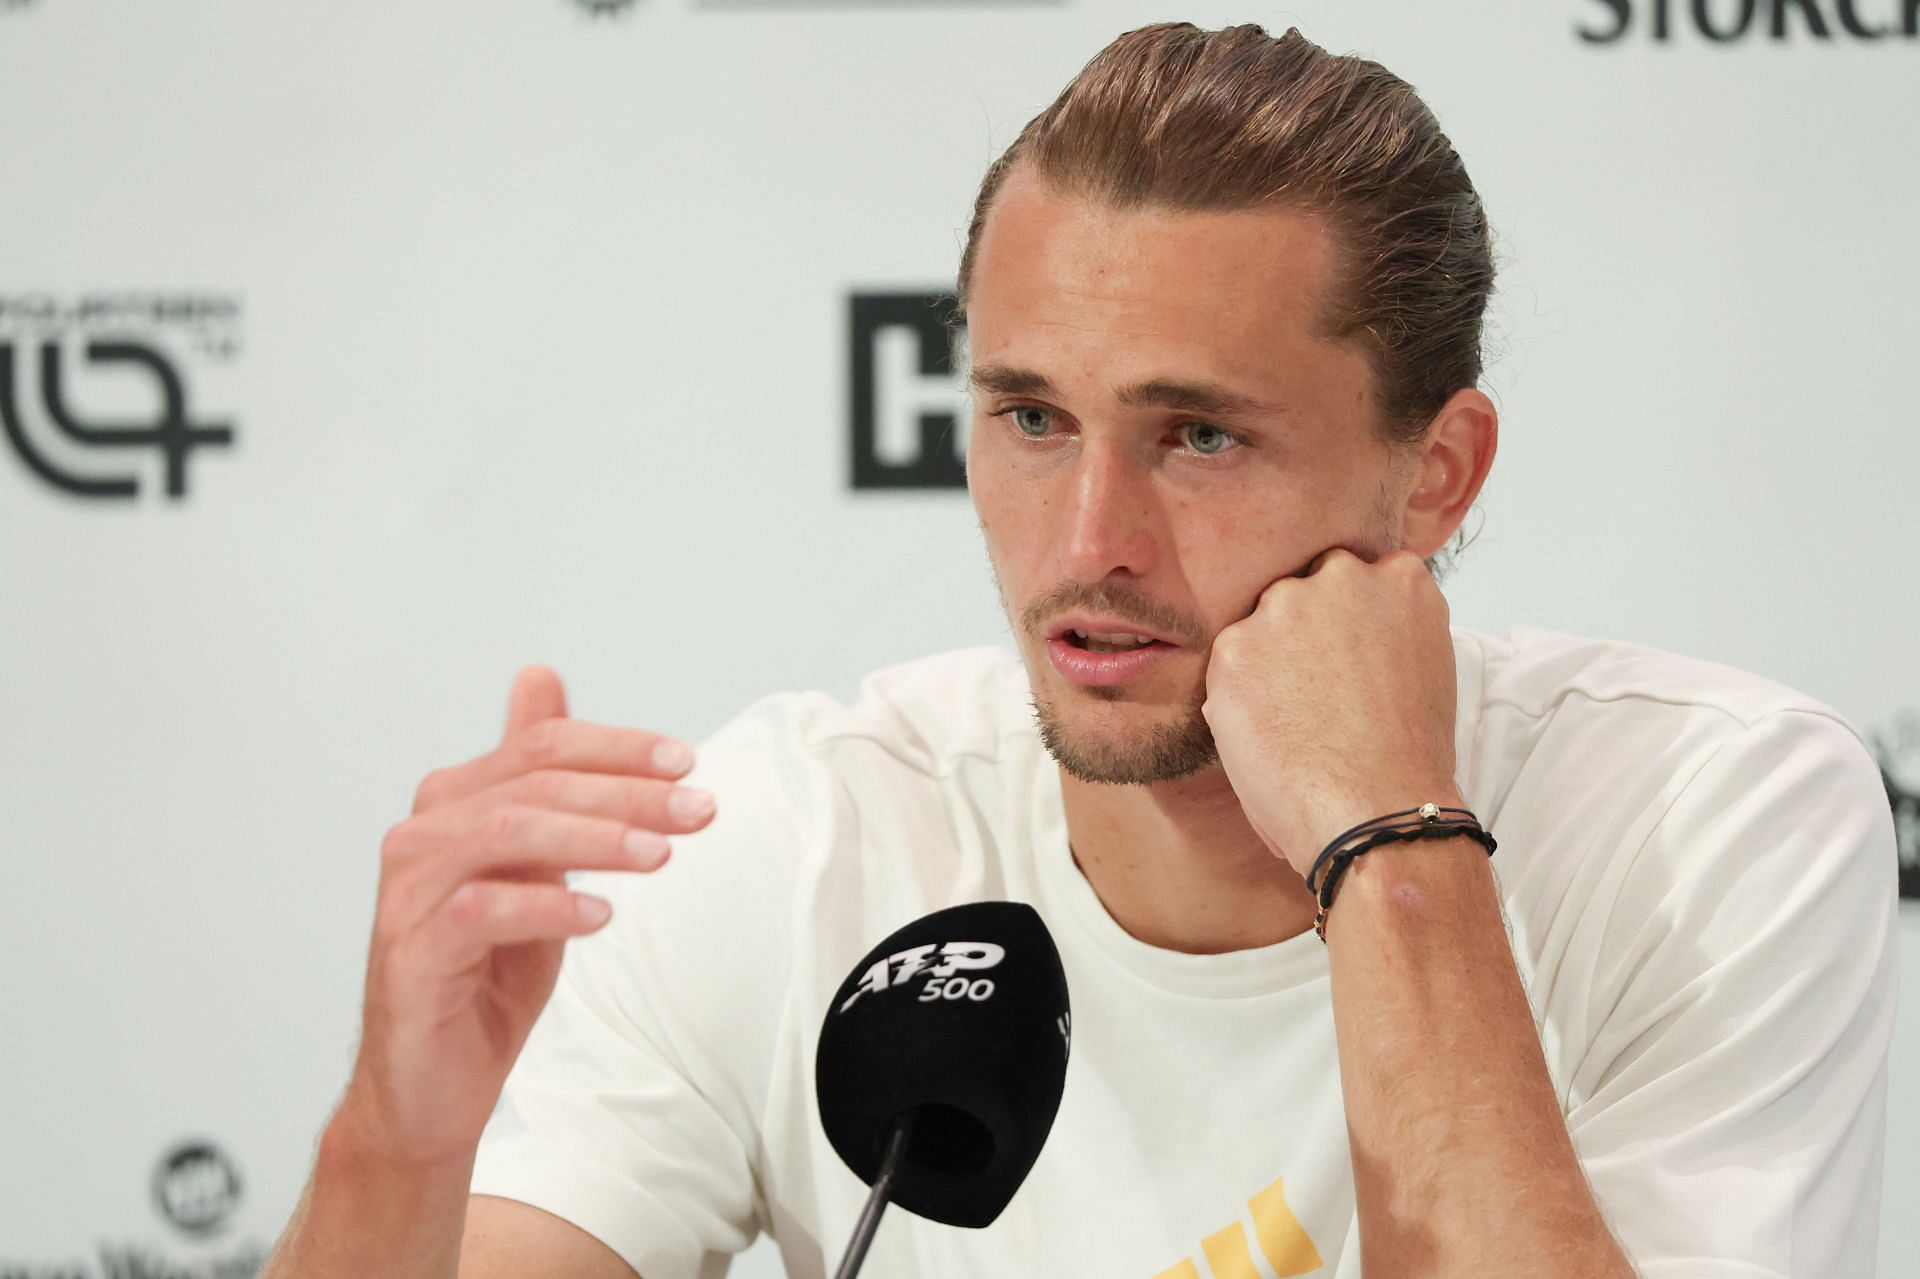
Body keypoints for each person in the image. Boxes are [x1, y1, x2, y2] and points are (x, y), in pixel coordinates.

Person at [262, 21, 1898, 1279]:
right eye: (1032, 418)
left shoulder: (1714, 823)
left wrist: (1390, 846)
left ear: (1437, 472)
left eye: (1197, 436)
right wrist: (395, 1143)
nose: (1087, 540)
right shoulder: (797, 834)